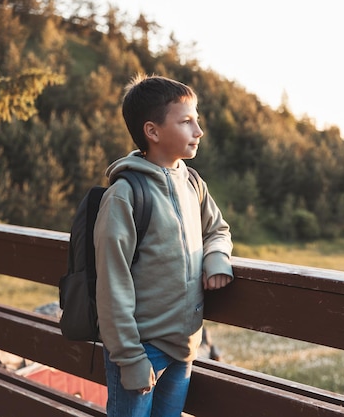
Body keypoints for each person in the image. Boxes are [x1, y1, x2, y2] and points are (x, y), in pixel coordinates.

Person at [94, 74, 234, 417]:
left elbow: (217, 229)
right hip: (142, 352)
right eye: (186, 121)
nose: (198, 131)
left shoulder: (192, 182)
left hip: (184, 349)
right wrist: (130, 359)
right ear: (152, 132)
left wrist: (216, 258)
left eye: (196, 119)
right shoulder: (125, 195)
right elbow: (112, 284)